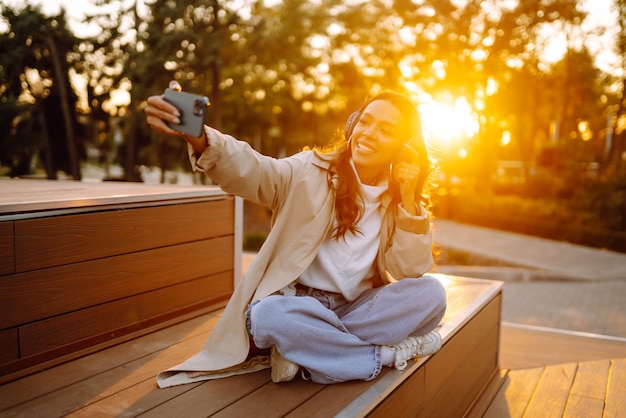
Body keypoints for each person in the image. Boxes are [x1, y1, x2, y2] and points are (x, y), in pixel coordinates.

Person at [144, 82, 447, 387]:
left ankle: (306, 348)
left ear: (403, 147)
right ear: (353, 125)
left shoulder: (397, 201)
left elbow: (409, 270)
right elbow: (256, 169)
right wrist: (200, 137)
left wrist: (409, 199)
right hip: (297, 304)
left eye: (386, 130)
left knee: (431, 294)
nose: (369, 134)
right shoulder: (309, 170)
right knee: (267, 315)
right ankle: (383, 356)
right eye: (365, 122)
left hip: (355, 305)